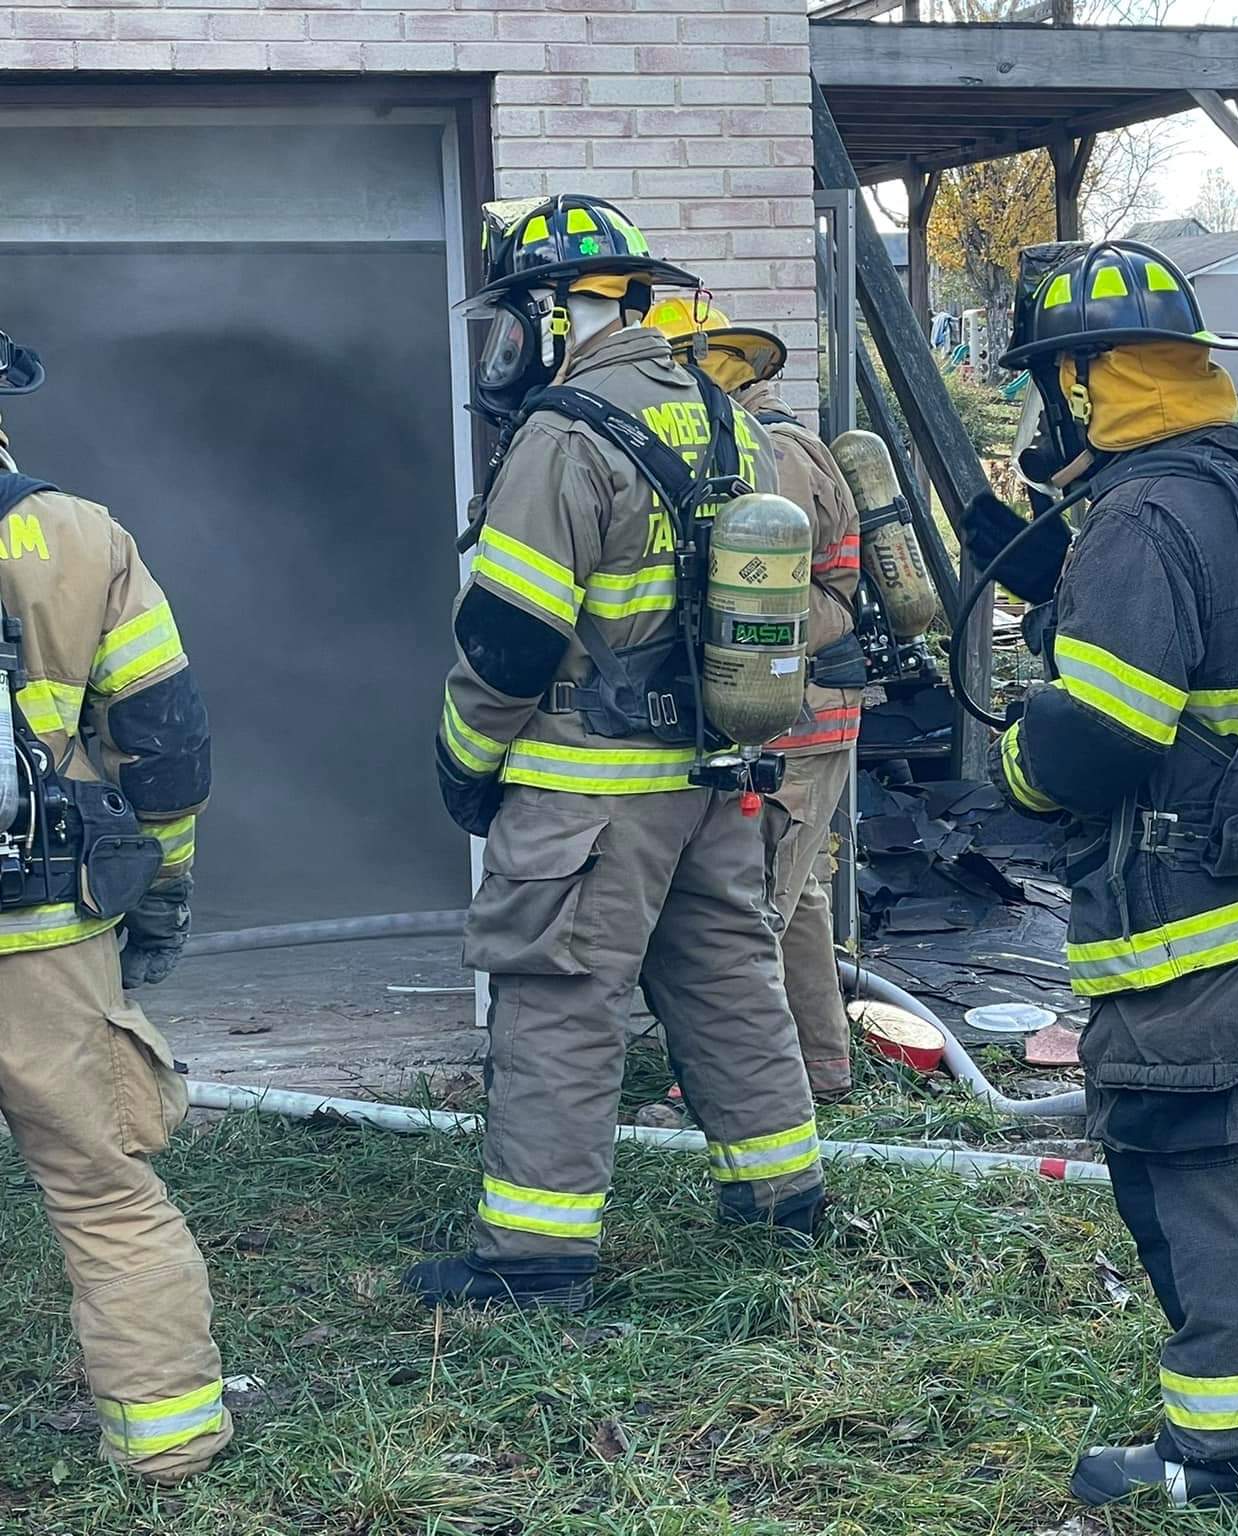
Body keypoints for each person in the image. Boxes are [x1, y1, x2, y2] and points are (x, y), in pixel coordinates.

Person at [978, 242, 1238, 1513]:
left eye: (1050, 389)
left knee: (1208, 1162)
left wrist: (1015, 763)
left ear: (1088, 388)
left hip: (1188, 914)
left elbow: (1098, 736)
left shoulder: (1144, 518)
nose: (1042, 419)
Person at [408, 195, 823, 1315]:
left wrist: (463, 761)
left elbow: (508, 637)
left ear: (554, 316)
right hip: (710, 778)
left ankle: (535, 1255)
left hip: (587, 791)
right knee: (728, 979)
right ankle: (783, 1196)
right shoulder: (725, 415)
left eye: (509, 323)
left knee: (557, 1000)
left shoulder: (564, 434)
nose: (500, 351)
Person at [0, 329, 230, 1481]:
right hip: (42, 934)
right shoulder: (82, 535)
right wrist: (162, 889)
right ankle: (169, 1443)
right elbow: (165, 746)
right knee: (100, 1186)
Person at [649, 300, 863, 1100]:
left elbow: (760, 599)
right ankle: (821, 1066)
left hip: (787, 714)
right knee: (795, 891)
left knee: (747, 906)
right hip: (796, 710)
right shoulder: (750, 440)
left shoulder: (770, 453)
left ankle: (734, 1084)